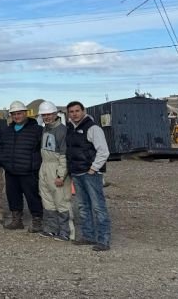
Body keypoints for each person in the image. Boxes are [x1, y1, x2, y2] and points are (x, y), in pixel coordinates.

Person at [65, 101, 111, 251]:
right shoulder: (70, 129)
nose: (74, 114)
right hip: (77, 173)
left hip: (89, 173)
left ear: (83, 111)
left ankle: (103, 240)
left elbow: (103, 151)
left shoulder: (93, 128)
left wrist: (93, 168)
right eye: (71, 111)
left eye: (77, 111)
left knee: (98, 207)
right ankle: (88, 236)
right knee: (83, 206)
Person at [0, 100, 43, 232]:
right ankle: (17, 220)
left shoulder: (37, 130)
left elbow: (42, 150)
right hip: (11, 171)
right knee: (13, 196)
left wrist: (35, 164)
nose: (17, 116)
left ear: (25, 113)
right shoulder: (7, 131)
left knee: (33, 196)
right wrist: (4, 162)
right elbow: (1, 148)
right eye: (14, 114)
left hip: (28, 171)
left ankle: (37, 220)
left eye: (19, 113)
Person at [37, 101, 71, 241]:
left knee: (61, 200)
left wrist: (60, 175)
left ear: (55, 114)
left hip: (56, 166)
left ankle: (66, 231)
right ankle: (51, 229)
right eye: (44, 115)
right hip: (44, 166)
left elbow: (64, 155)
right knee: (47, 199)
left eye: (49, 114)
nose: (47, 117)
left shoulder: (62, 130)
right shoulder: (46, 129)